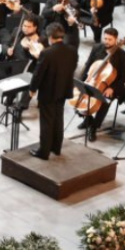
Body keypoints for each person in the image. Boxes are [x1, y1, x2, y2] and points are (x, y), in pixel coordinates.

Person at [28, 23, 79, 160]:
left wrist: (32, 89)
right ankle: (56, 148)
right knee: (58, 118)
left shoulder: (46, 53)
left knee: (47, 121)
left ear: (50, 37)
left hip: (48, 91)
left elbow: (38, 74)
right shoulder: (72, 50)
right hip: (63, 89)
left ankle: (43, 152)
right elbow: (72, 67)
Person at [76, 28, 125, 142]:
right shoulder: (97, 48)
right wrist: (82, 80)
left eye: (110, 39)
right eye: (105, 38)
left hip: (112, 85)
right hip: (93, 80)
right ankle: (88, 120)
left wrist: (112, 88)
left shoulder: (123, 55)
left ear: (116, 40)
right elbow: (88, 64)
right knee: (78, 97)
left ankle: (94, 127)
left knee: (105, 102)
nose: (107, 41)